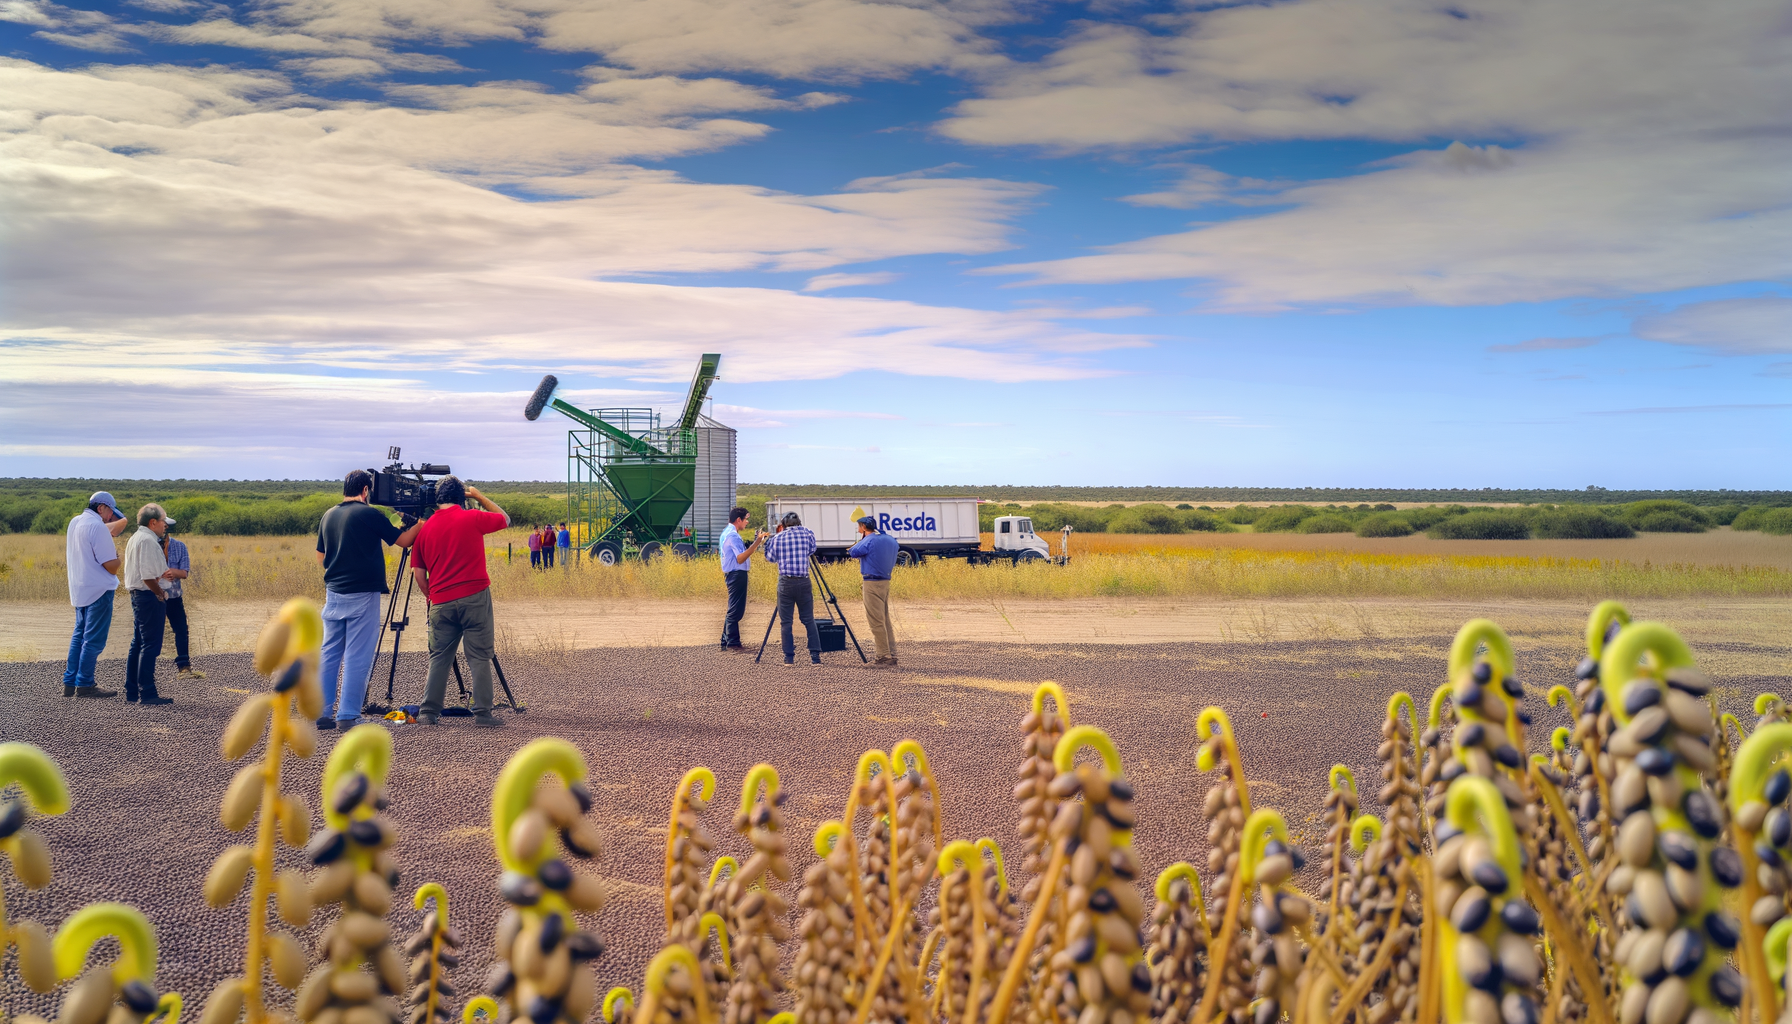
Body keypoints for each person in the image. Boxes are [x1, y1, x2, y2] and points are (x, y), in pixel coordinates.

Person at [314, 469, 422, 730]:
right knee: (357, 655)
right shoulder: (369, 513)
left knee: (329, 653)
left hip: (334, 593)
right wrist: (421, 524)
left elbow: (321, 557)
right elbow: (405, 541)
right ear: (365, 491)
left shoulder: (329, 515)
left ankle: (322, 712)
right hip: (363, 594)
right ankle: (348, 715)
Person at [411, 476, 510, 726]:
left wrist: (431, 596)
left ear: (437, 500)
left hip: (440, 601)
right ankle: (483, 713)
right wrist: (478, 496)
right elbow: (505, 519)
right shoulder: (471, 517)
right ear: (460, 498)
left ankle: (428, 712)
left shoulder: (425, 530)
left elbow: (419, 574)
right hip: (474, 596)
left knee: (439, 657)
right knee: (478, 655)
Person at [63, 490, 127, 699]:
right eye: (110, 512)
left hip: (80, 588)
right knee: (94, 640)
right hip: (99, 589)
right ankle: (85, 684)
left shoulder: (75, 522)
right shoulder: (97, 526)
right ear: (101, 508)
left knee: (78, 636)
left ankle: (70, 682)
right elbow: (111, 566)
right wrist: (118, 557)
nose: (111, 517)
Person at [121, 503, 175, 705]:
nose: (165, 526)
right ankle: (148, 692)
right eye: (163, 522)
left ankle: (133, 690)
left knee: (139, 643)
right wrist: (160, 593)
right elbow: (148, 577)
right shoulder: (149, 541)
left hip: (139, 596)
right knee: (150, 645)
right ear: (153, 522)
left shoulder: (136, 538)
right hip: (148, 596)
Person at [763, 510, 820, 665]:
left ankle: (789, 658)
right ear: (799, 522)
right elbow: (811, 550)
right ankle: (815, 657)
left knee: (786, 622)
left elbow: (771, 558)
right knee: (808, 619)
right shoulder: (808, 533)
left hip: (786, 583)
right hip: (803, 581)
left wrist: (765, 544)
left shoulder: (778, 537)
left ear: (783, 524)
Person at [846, 516, 900, 666]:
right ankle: (892, 653)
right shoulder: (890, 539)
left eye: (859, 527)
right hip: (885, 581)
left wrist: (861, 540)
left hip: (872, 582)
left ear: (863, 527)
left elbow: (853, 552)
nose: (858, 529)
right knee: (885, 619)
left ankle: (883, 656)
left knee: (876, 620)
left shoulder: (869, 540)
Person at [159, 531, 205, 680]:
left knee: (181, 630)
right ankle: (145, 670)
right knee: (151, 633)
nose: (163, 531)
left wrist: (171, 572)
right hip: (154, 595)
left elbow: (184, 573)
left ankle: (184, 667)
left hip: (174, 595)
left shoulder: (179, 546)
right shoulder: (148, 545)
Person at [718, 506, 764, 651]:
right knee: (736, 610)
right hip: (737, 574)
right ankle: (733, 643)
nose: (747, 522)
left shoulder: (727, 532)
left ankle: (726, 641)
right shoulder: (733, 535)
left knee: (733, 608)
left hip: (732, 574)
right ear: (739, 519)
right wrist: (757, 542)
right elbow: (740, 558)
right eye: (746, 519)